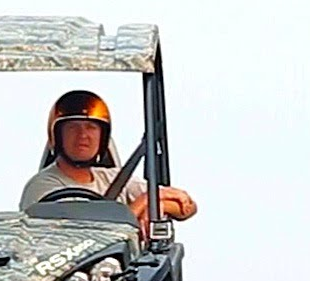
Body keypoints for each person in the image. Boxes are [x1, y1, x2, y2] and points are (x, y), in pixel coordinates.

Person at [19, 90, 196, 230]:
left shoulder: (113, 178)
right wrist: (143, 203)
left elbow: (187, 207)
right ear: (57, 135)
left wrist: (157, 206)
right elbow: (89, 239)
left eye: (91, 128)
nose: (83, 136)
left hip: (124, 272)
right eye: (73, 128)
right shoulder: (43, 187)